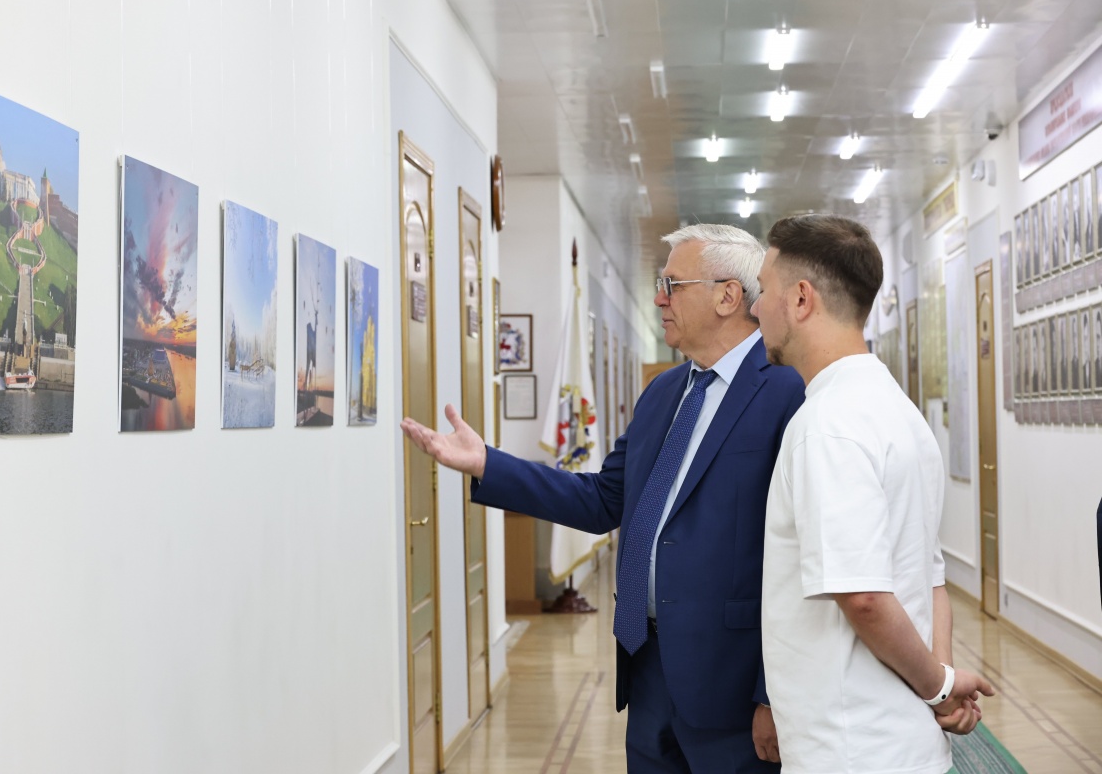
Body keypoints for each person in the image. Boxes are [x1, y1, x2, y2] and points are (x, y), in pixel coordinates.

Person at [402, 224, 805, 773]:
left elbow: (798, 557)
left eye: (672, 283)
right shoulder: (665, 392)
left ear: (727, 295)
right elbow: (602, 499)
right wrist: (486, 464)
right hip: (647, 670)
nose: (659, 297)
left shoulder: (787, 389)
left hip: (732, 686)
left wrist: (772, 692)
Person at [751, 214, 994, 773]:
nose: (756, 306)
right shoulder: (896, 409)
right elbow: (929, 575)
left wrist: (939, 686)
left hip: (851, 747)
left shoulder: (828, 425)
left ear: (801, 299)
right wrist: (942, 680)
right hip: (900, 740)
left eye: (765, 290)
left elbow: (861, 596)